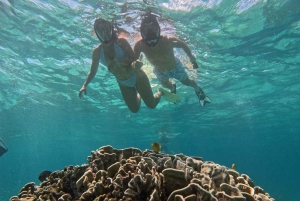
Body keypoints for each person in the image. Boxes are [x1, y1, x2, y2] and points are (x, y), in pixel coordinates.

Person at [79, 18, 162, 113]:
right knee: (134, 109)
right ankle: (141, 92)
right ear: (97, 33)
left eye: (106, 29)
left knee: (152, 105)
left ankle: (160, 92)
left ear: (111, 29)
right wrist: (84, 85)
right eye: (101, 30)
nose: (104, 33)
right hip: (123, 83)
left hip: (137, 76)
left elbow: (133, 59)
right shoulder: (97, 52)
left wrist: (119, 62)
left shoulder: (121, 42)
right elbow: (93, 71)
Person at [133, 13, 211, 106]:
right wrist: (136, 63)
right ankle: (172, 88)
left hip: (175, 67)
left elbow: (182, 44)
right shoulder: (140, 45)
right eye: (146, 30)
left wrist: (191, 58)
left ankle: (198, 90)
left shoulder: (168, 41)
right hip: (159, 70)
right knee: (165, 85)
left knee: (187, 82)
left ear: (158, 29)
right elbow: (134, 59)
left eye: (153, 28)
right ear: (142, 32)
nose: (150, 33)